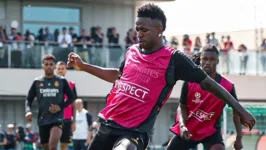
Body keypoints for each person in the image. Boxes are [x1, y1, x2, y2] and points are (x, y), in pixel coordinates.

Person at [67, 4, 255, 150]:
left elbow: (208, 83)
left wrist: (240, 109)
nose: (139, 34)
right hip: (107, 125)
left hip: (135, 132)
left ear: (159, 29)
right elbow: (118, 75)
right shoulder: (132, 51)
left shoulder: (174, 59)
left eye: (144, 30)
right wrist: (83, 67)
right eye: (137, 29)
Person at [167, 44, 243, 150]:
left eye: (212, 59)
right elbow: (182, 106)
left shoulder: (228, 86)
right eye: (205, 59)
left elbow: (236, 113)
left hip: (211, 133)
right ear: (201, 60)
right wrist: (182, 126)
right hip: (189, 129)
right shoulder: (189, 82)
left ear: (217, 61)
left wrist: (239, 137)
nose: (208, 62)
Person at [25, 55, 75, 150]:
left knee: (53, 147)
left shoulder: (62, 81)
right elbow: (29, 99)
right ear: (42, 66)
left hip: (57, 119)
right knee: (46, 147)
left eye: (51, 64)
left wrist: (60, 106)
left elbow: (72, 97)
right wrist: (28, 111)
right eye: (46, 64)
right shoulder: (37, 82)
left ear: (54, 66)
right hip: (43, 119)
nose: (49, 66)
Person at [55, 61, 78, 150]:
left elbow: (74, 104)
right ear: (55, 70)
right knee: (52, 143)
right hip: (54, 119)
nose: (61, 70)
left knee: (64, 145)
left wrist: (74, 121)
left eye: (62, 69)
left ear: (66, 70)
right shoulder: (50, 84)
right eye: (59, 69)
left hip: (67, 120)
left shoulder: (71, 84)